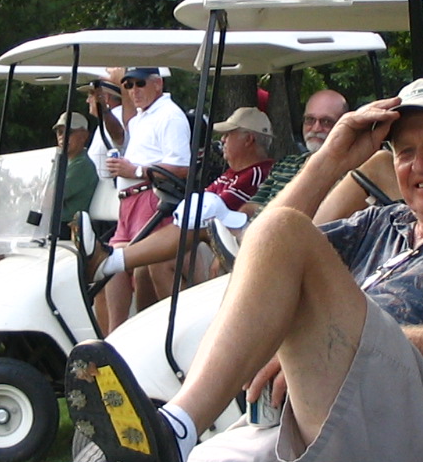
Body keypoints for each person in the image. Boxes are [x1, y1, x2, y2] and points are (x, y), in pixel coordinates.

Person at [66, 78, 423, 462]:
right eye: (406, 152)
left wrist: (336, 338)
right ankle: (170, 447)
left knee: (285, 230)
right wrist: (329, 161)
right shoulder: (380, 223)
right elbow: (257, 256)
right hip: (327, 408)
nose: (420, 165)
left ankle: (178, 423)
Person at [87, 105, 275, 282]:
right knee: (144, 269)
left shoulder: (255, 174)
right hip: (207, 238)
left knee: (163, 261)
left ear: (249, 139)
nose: (223, 140)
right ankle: (112, 267)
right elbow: (205, 203)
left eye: (228, 134)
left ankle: (110, 261)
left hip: (225, 243)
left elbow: (209, 211)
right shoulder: (232, 173)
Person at [101, 67, 191, 330]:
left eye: (139, 84)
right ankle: (113, 337)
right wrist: (109, 98)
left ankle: (147, 334)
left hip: (150, 200)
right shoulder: (142, 117)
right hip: (128, 203)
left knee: (140, 268)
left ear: (157, 85)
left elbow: (182, 167)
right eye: (127, 86)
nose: (133, 91)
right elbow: (126, 122)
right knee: (111, 265)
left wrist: (136, 171)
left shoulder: (169, 116)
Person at [242, 88, 349, 214]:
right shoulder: (285, 164)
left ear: (343, 125)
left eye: (326, 121)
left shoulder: (346, 175)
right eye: (310, 119)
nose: (316, 128)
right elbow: (253, 206)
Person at [53, 111, 101, 220]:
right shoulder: (58, 162)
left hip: (67, 228)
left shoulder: (82, 165)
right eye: (60, 132)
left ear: (84, 136)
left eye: (69, 132)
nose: (62, 137)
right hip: (49, 225)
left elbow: (50, 197)